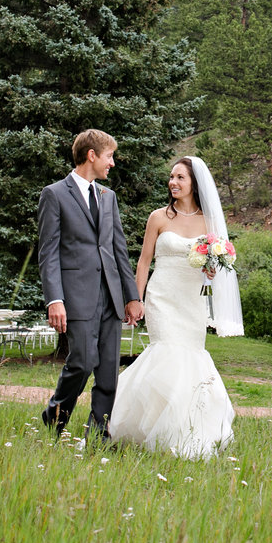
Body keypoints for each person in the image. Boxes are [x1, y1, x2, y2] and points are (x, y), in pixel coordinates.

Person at [108, 155, 242, 459]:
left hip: (192, 300)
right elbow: (143, 262)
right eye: (171, 177)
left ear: (194, 183)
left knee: (189, 359)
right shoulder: (158, 217)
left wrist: (211, 270)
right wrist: (135, 299)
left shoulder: (209, 222)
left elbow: (216, 264)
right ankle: (147, 430)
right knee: (166, 353)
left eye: (180, 177)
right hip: (162, 298)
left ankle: (185, 431)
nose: (173, 182)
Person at [38, 129, 143, 442]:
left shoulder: (108, 197)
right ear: (92, 155)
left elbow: (118, 251)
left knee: (109, 372)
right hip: (76, 296)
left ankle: (99, 436)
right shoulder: (54, 194)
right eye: (109, 156)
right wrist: (54, 299)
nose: (112, 163)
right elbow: (48, 253)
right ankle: (54, 418)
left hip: (110, 297)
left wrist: (132, 297)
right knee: (82, 362)